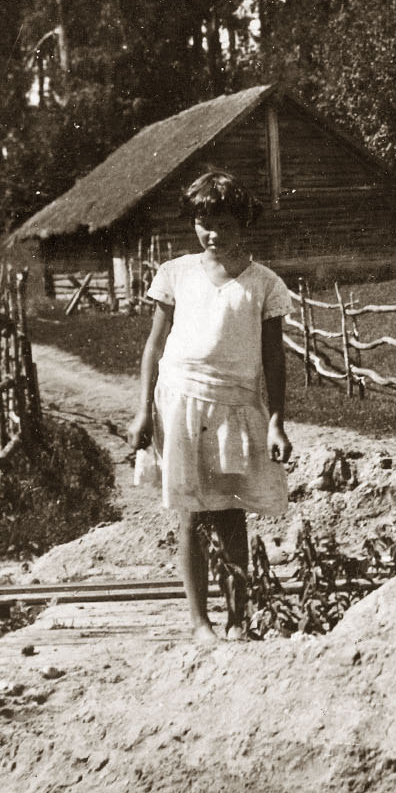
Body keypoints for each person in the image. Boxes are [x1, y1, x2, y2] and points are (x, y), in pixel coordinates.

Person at [126, 169, 294, 645]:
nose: (213, 233)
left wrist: (277, 422)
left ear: (244, 224)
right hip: (180, 402)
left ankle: (237, 618)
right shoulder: (176, 274)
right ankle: (200, 622)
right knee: (191, 514)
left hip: (234, 407)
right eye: (204, 223)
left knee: (231, 514)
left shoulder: (264, 284)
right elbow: (154, 346)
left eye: (224, 223)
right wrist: (142, 410)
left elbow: (274, 358)